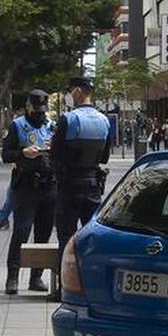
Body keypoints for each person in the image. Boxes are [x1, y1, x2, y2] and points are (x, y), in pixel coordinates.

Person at [50, 76, 111, 301]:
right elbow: (104, 155)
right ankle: (92, 287)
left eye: (69, 90)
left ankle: (62, 288)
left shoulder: (68, 119)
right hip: (94, 183)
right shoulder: (104, 121)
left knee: (66, 236)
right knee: (92, 236)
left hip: (69, 184)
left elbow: (55, 153)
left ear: (77, 91)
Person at [2, 90, 56, 294]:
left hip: (49, 186)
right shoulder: (17, 125)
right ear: (28, 106)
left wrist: (54, 149)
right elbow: (6, 155)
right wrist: (23, 153)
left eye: (43, 110)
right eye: (36, 109)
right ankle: (12, 277)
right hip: (26, 186)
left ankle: (36, 277)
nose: (40, 113)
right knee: (21, 232)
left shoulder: (52, 126)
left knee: (43, 234)